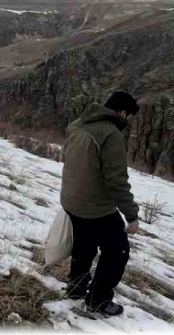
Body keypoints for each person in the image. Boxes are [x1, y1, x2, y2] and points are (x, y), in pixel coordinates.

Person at [60, 91, 141, 317]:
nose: (128, 121)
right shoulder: (111, 134)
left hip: (70, 200)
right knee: (117, 250)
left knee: (84, 246)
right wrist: (131, 215)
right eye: (129, 116)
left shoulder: (77, 124)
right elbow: (116, 181)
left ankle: (76, 288)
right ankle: (98, 300)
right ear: (122, 112)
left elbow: (65, 157)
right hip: (95, 207)